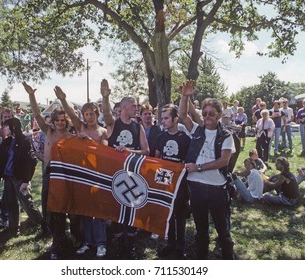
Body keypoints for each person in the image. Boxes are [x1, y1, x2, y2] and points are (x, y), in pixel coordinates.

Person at [179, 80, 235, 260]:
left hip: (217, 187)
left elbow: (223, 161)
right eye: (205, 113)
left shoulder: (226, 136)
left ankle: (228, 258)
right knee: (201, 229)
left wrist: (199, 167)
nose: (208, 115)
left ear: (219, 115)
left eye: (212, 113)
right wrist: (185, 95)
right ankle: (201, 261)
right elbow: (182, 114)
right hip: (196, 186)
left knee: (223, 229)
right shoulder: (196, 129)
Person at [53, 86, 109, 258]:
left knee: (98, 212)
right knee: (84, 210)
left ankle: (101, 243)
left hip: (97, 175)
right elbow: (71, 114)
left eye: (92, 113)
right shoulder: (80, 127)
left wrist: (90, 141)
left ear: (97, 114)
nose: (89, 117)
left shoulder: (103, 131)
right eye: (86, 114)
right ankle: (87, 241)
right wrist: (63, 99)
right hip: (80, 174)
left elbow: (105, 152)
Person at [23, 81, 75, 260]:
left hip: (64, 176)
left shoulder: (71, 136)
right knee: (49, 210)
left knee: (62, 209)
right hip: (48, 174)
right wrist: (31, 95)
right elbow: (36, 114)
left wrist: (64, 100)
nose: (60, 123)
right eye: (57, 120)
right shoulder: (48, 132)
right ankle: (58, 238)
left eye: (63, 120)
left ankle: (63, 240)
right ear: (52, 122)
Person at [100, 79, 149, 259]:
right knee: (116, 209)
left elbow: (147, 150)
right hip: (114, 174)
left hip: (133, 175)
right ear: (124, 108)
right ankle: (117, 244)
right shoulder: (113, 124)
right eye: (134, 106)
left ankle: (130, 246)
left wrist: (130, 151)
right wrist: (106, 97)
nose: (137, 108)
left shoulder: (138, 127)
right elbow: (105, 114)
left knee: (131, 208)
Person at [0, 118, 47, 237]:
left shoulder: (25, 140)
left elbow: (31, 162)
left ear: (13, 127)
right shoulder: (6, 142)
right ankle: (14, 228)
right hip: (8, 178)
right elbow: (1, 161)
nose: (4, 129)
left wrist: (26, 181)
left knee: (27, 203)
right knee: (11, 204)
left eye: (6, 126)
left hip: (19, 179)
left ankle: (43, 224)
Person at [155, 104, 191, 259]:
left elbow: (189, 162)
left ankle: (180, 247)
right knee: (168, 214)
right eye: (162, 118)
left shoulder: (185, 139)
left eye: (166, 118)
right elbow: (156, 158)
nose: (163, 121)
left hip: (181, 185)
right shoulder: (161, 137)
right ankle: (170, 243)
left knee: (180, 216)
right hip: (165, 182)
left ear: (176, 119)